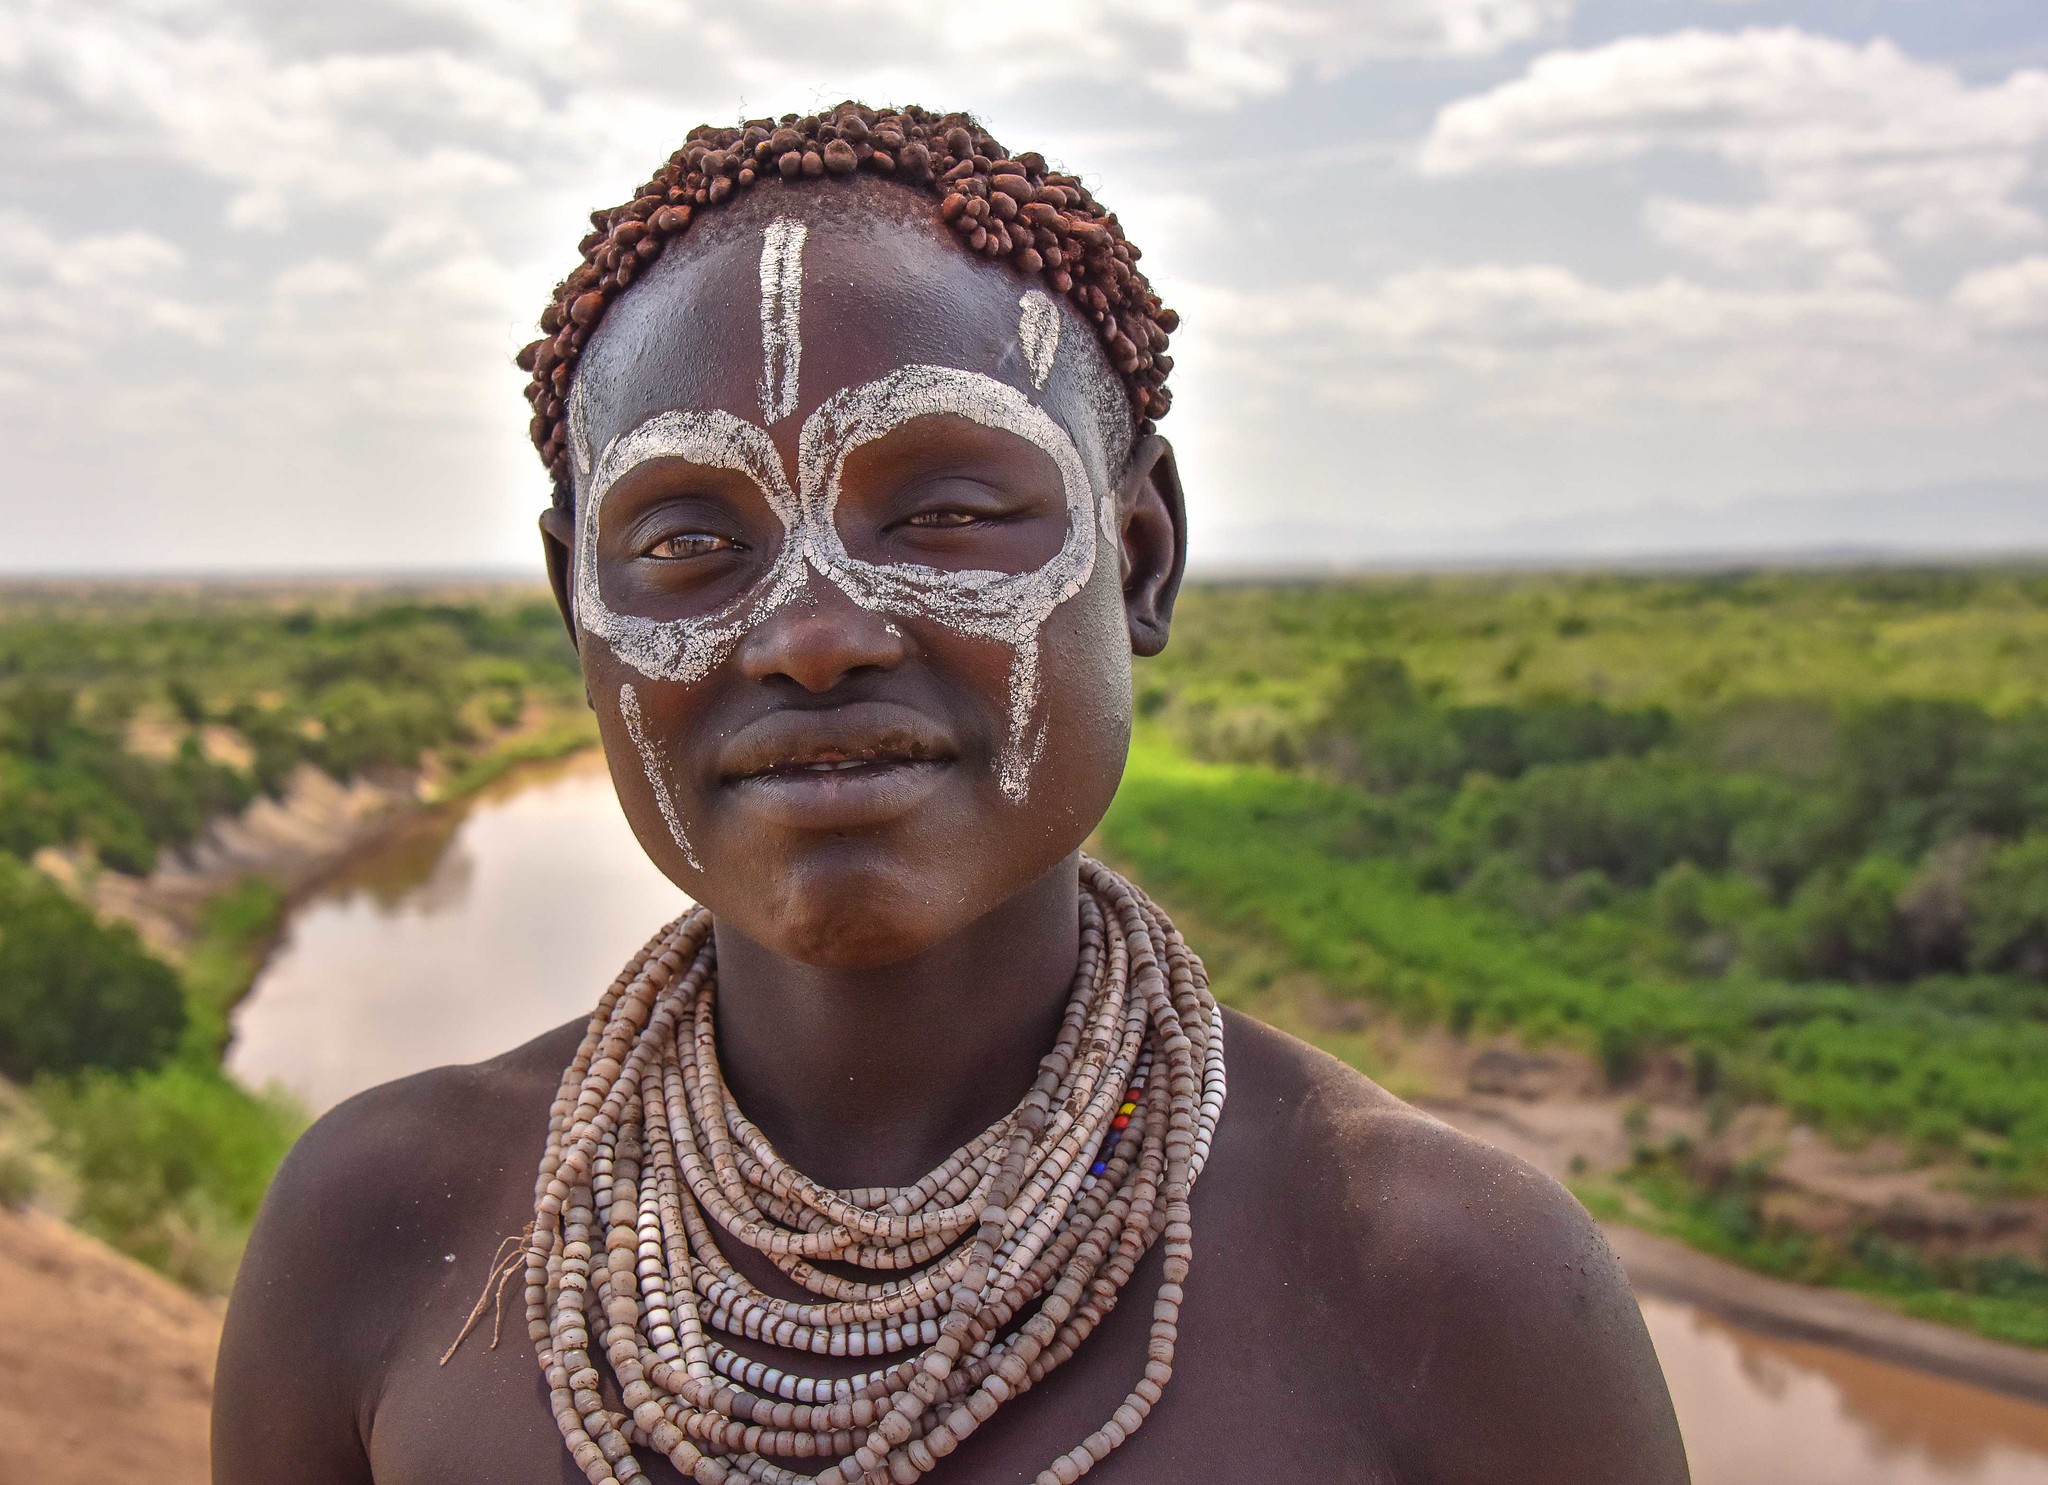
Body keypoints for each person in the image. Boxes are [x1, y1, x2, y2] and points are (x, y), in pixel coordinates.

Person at [213, 104, 1688, 1485]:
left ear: (1140, 556)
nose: (811, 636)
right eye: (685, 542)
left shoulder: (1441, 1285)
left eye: (948, 512)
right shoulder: (378, 1232)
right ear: (576, 608)